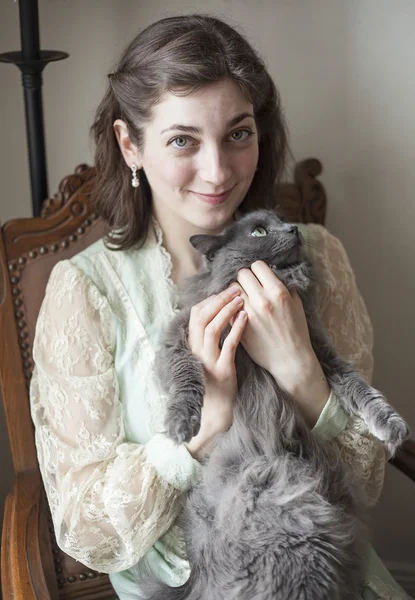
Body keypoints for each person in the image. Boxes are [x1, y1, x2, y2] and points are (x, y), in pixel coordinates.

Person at [30, 14, 410, 600]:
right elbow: (86, 530)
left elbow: (366, 478)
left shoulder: (319, 258)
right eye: (183, 139)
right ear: (130, 144)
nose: (219, 172)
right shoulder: (85, 293)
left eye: (239, 133)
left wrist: (302, 371)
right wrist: (203, 430)